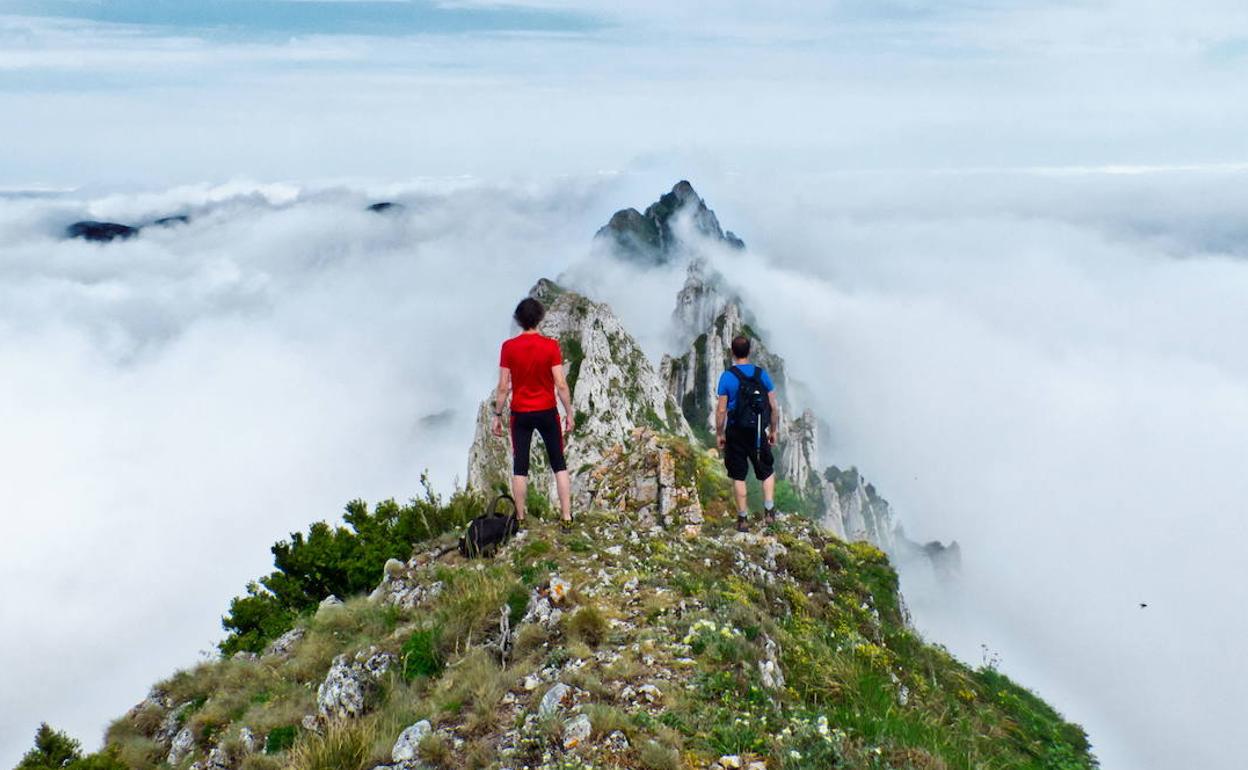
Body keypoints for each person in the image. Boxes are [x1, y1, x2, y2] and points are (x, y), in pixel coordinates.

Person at [491, 297, 576, 529]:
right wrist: (569, 412)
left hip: (520, 413)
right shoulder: (550, 346)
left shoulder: (508, 347)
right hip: (548, 411)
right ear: (540, 318)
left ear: (519, 320)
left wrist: (497, 415)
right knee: (559, 464)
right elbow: (560, 384)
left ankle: (519, 518)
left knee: (520, 466)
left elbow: (502, 387)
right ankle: (567, 518)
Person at [715, 335, 780, 532]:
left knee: (739, 476)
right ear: (749, 351)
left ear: (732, 352)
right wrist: (773, 430)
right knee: (766, 470)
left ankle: (743, 519)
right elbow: (774, 407)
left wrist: (720, 433)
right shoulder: (761, 375)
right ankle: (769, 510)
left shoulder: (727, 377)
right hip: (758, 430)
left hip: (735, 431)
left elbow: (721, 410)